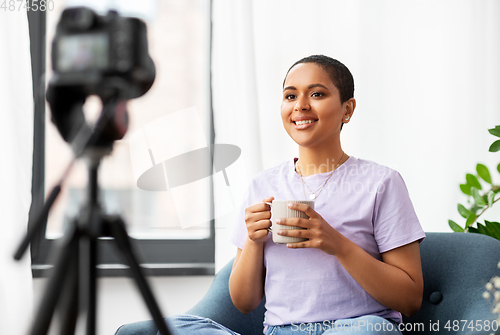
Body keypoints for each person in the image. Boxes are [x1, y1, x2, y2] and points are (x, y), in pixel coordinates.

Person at [169, 55, 426, 335]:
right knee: (175, 327)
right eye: (290, 96)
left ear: (347, 110)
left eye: (317, 94)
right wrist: (253, 242)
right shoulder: (262, 185)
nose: (300, 105)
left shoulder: (381, 182)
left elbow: (410, 299)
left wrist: (336, 244)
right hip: (281, 331)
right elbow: (244, 303)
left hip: (355, 328)